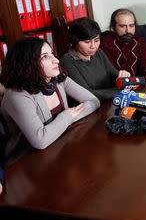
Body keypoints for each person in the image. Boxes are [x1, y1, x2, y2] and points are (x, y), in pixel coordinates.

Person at [0, 37, 100, 166]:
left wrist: (70, 118)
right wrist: (67, 116)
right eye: (45, 57)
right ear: (27, 64)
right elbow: (40, 140)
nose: (56, 60)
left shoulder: (57, 78)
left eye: (52, 54)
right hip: (26, 162)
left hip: (59, 147)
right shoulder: (17, 95)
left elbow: (93, 101)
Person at [61, 18, 131, 101]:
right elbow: (87, 94)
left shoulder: (98, 53)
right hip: (89, 108)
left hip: (110, 102)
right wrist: (120, 91)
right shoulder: (67, 61)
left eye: (97, 40)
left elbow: (114, 75)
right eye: (87, 42)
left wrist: (123, 77)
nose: (93, 46)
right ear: (75, 41)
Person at [100, 8, 146, 76]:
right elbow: (110, 74)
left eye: (131, 25)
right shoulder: (105, 43)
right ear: (113, 27)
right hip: (114, 85)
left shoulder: (141, 42)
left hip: (139, 85)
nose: (128, 31)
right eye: (122, 26)